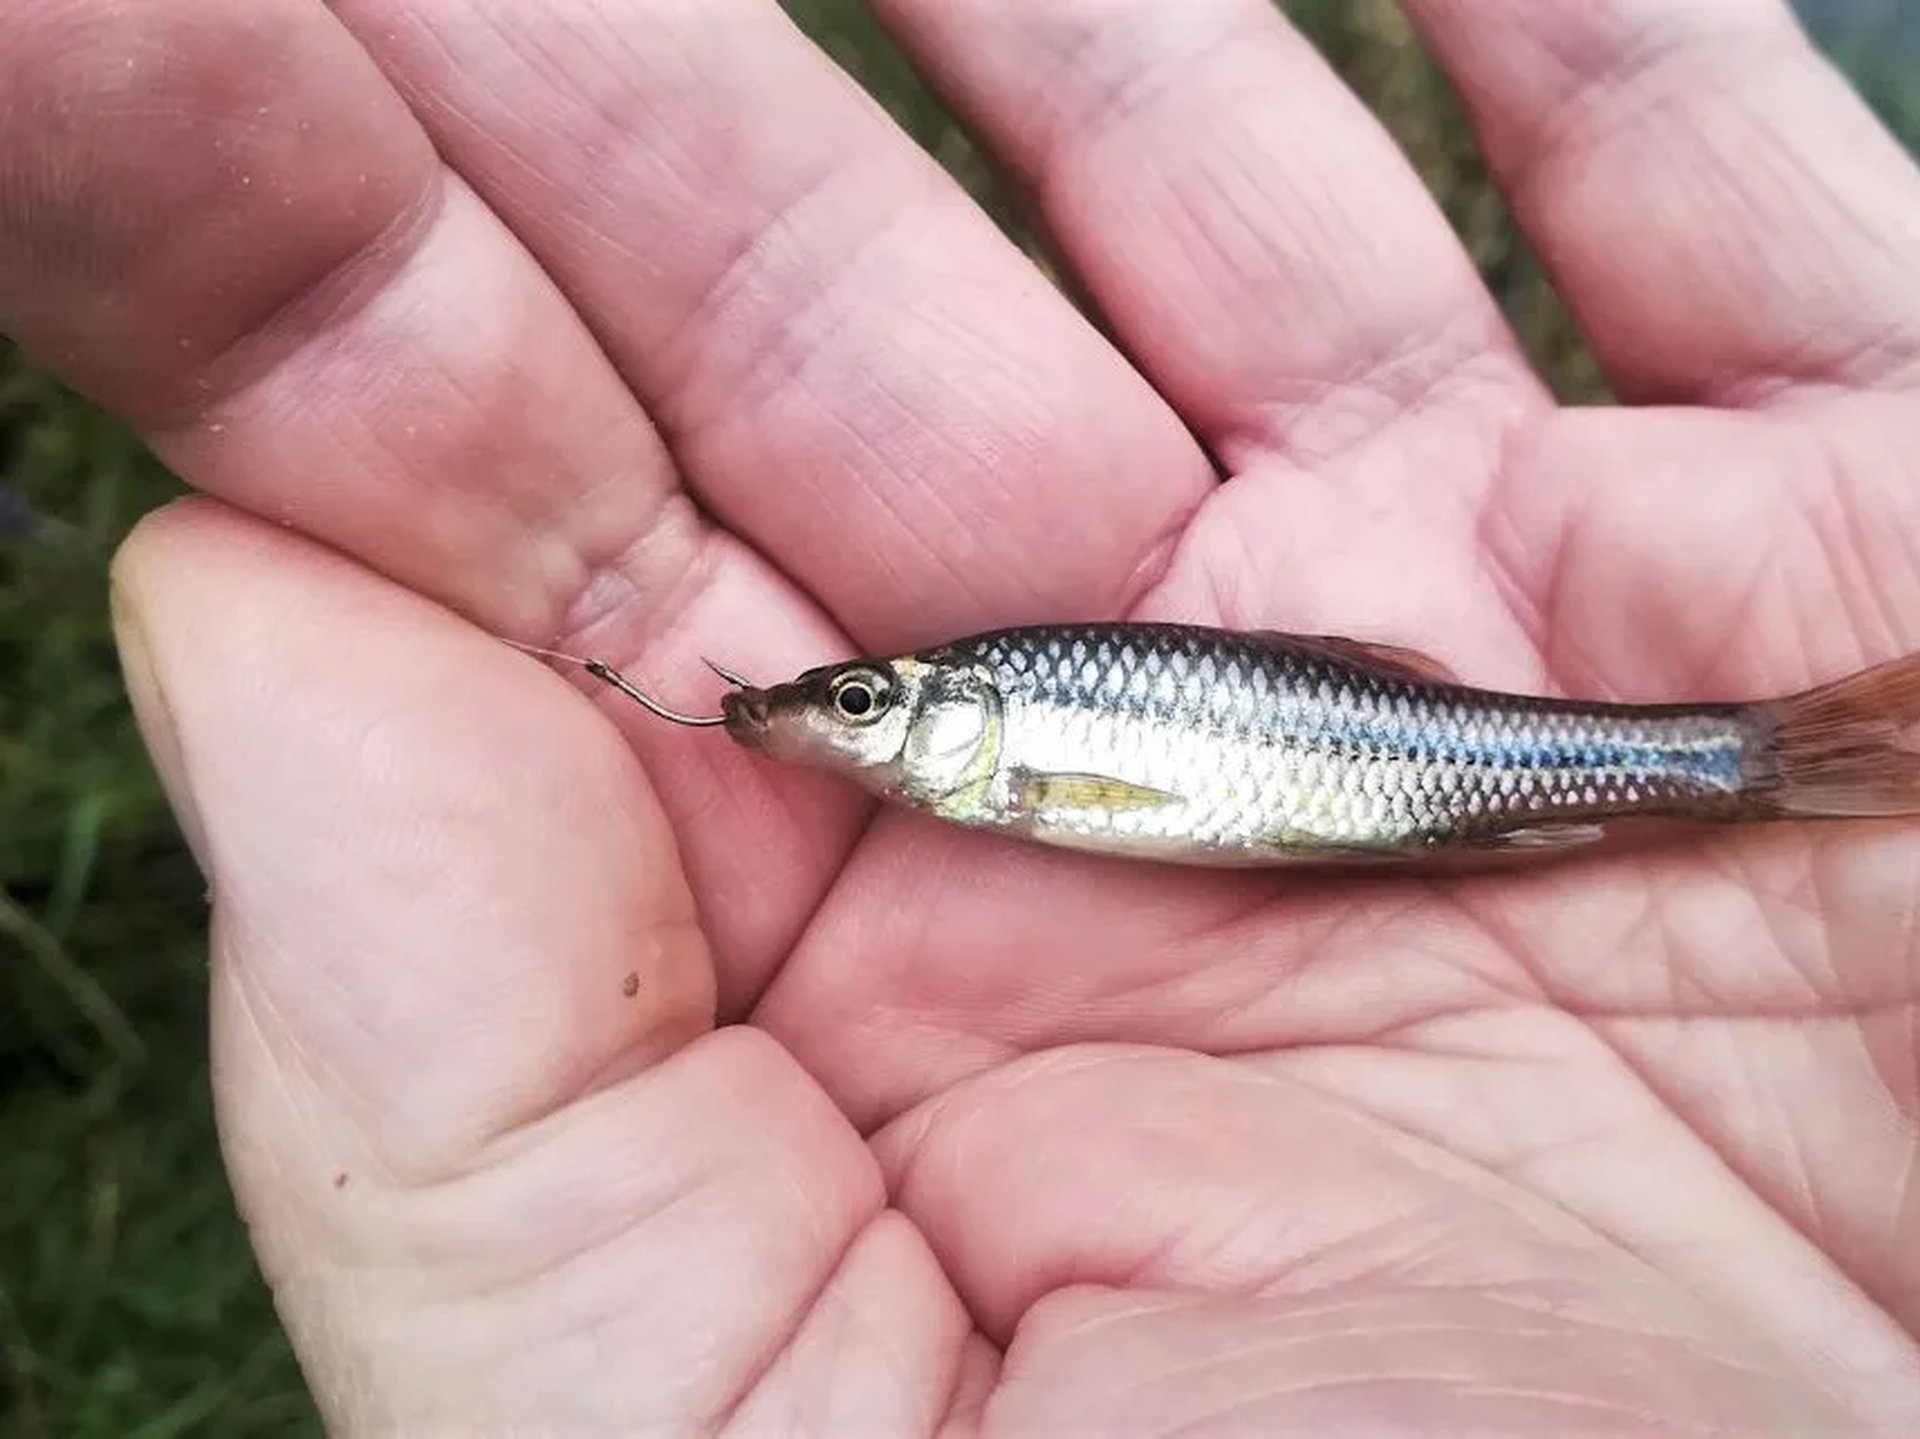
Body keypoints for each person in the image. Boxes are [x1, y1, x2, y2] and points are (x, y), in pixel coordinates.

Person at [7, 0, 1920, 1430]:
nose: (836, 725)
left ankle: (1760, 756)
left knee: (1605, 764)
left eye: (863, 709)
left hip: (1458, 779)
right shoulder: (996, 747)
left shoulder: (1019, 739)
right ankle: (1754, 761)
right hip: (1457, 812)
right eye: (851, 708)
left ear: (943, 722)